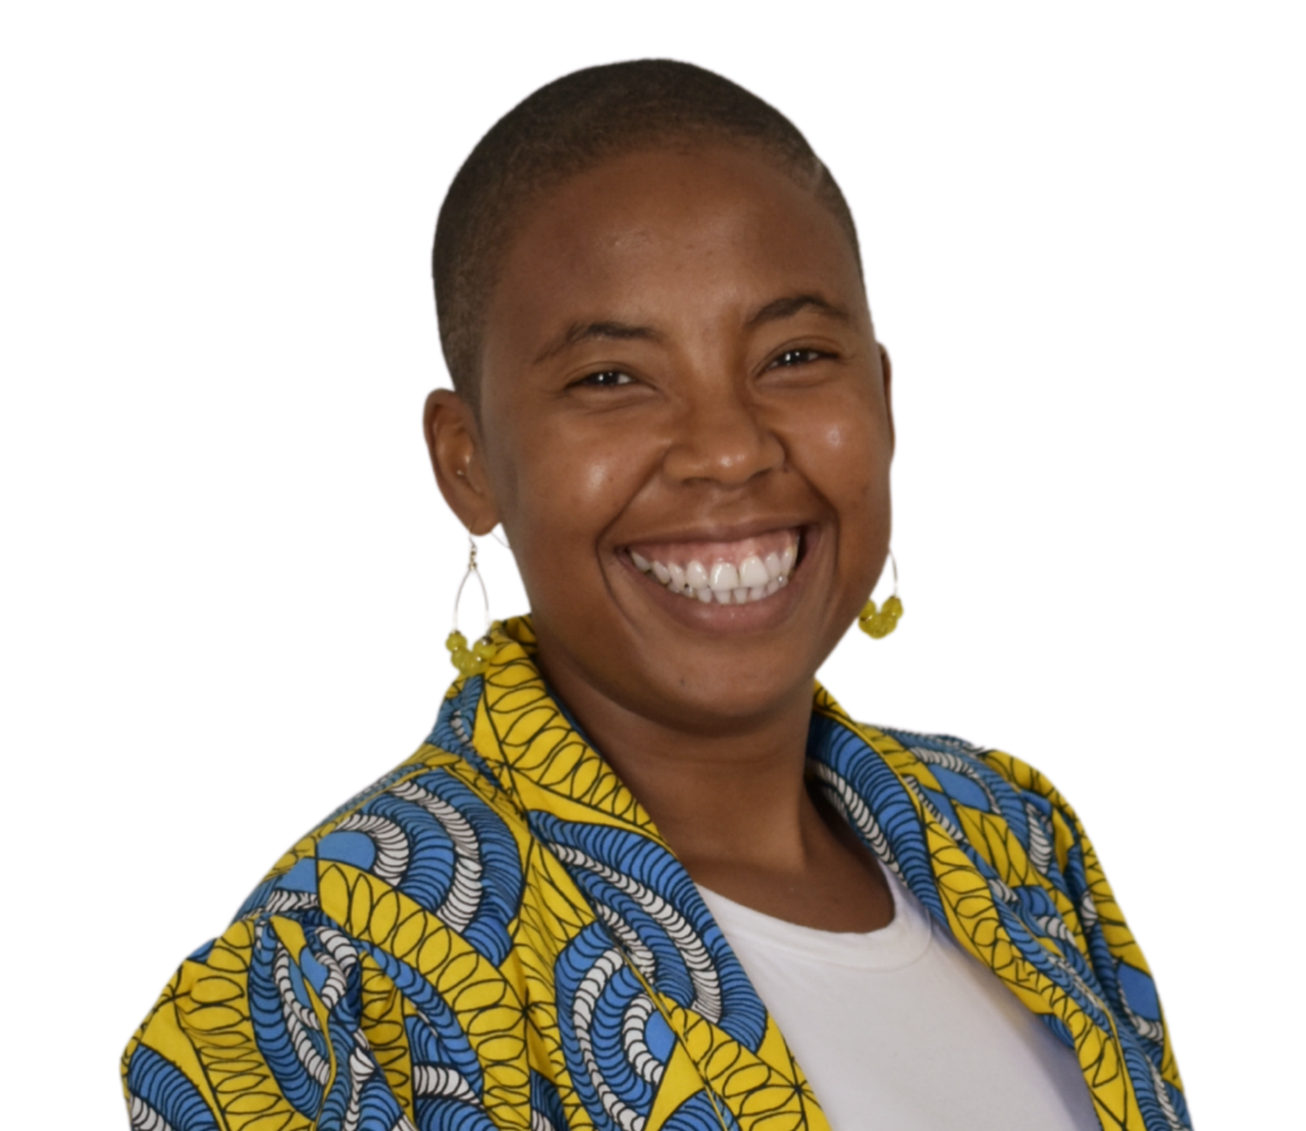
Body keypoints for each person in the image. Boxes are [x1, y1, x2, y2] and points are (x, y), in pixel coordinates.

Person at [121, 60, 1189, 1131]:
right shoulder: (327, 982)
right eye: (611, 378)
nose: (728, 448)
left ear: (882, 398)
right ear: (467, 459)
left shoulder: (1012, 841)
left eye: (795, 355)